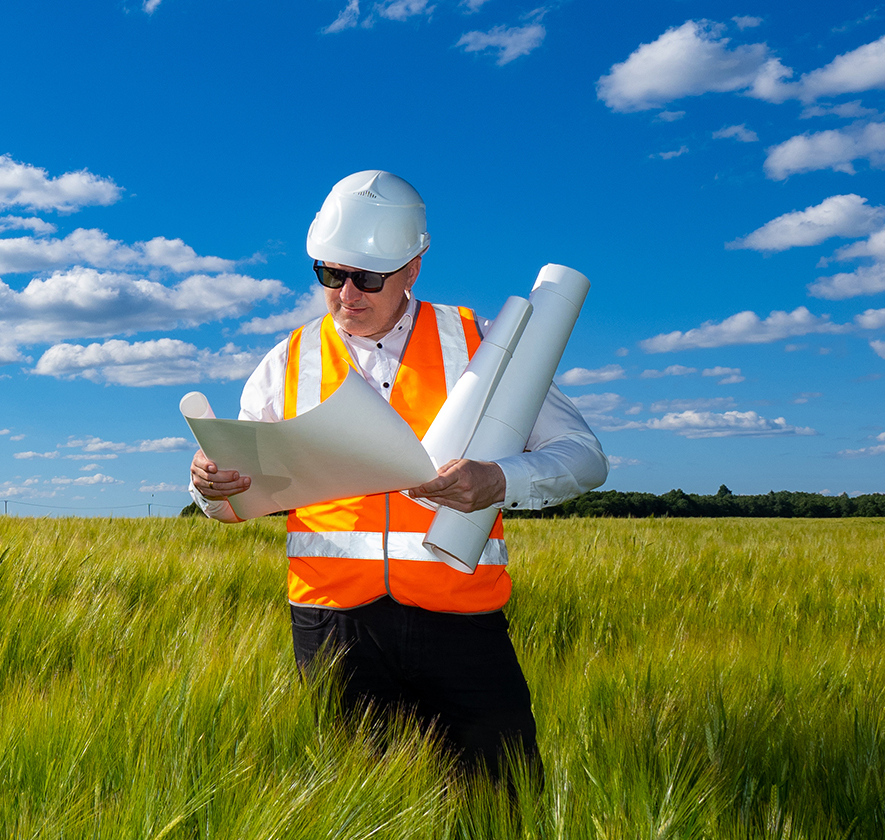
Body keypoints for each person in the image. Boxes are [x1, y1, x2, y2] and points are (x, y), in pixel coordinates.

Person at [188, 169, 606, 780]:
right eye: (330, 275)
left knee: (500, 797)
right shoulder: (288, 361)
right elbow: (230, 502)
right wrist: (208, 488)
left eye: (367, 278)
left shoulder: (481, 344)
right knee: (363, 806)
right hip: (333, 627)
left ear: (413, 268)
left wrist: (500, 480)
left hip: (461, 623)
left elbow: (584, 456)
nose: (346, 295)